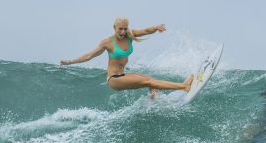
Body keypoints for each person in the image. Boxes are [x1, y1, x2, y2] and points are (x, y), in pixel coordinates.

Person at [60, 17, 193, 94]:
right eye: (120, 29)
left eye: (125, 28)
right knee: (149, 81)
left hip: (123, 75)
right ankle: (184, 87)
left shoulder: (129, 35)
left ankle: (153, 101)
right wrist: (69, 62)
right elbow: (89, 56)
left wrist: (156, 27)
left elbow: (145, 30)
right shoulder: (108, 42)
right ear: (114, 27)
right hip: (114, 79)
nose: (123, 31)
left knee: (151, 82)